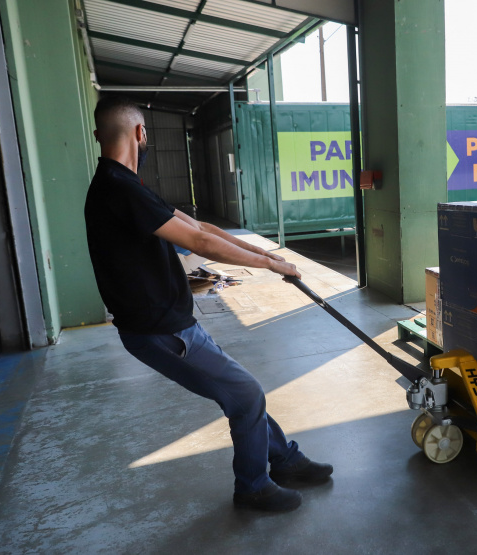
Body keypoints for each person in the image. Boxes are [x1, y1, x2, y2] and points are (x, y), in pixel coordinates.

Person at [84, 96, 331, 513]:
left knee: (241, 396)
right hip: (160, 331)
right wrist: (270, 266)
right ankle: (253, 487)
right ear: (141, 134)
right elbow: (198, 243)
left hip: (172, 325)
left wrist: (269, 257)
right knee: (246, 394)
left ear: (98, 136)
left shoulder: (124, 186)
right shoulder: (119, 189)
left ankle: (285, 460)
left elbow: (201, 227)